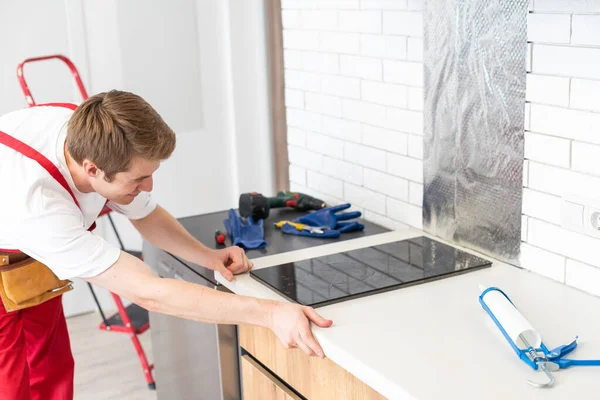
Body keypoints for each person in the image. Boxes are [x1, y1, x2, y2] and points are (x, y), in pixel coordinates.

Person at [0, 90, 333, 400]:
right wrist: (271, 315)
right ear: (92, 169)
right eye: (138, 179)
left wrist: (209, 257)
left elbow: (145, 215)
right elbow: (149, 293)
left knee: (50, 367)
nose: (149, 186)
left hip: (28, 255)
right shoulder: (38, 207)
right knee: (11, 384)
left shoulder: (91, 130)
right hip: (10, 245)